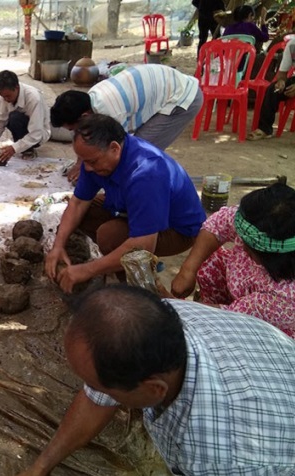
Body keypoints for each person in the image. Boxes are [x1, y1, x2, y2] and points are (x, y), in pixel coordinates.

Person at [13, 285, 295, 476]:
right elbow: (95, 399)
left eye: (99, 385)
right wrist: (41, 467)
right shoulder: (155, 319)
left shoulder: (221, 460)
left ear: (154, 389)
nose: (90, 391)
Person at [44, 114, 206, 294]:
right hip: (133, 208)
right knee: (84, 214)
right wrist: (57, 246)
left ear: (114, 148)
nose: (87, 168)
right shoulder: (97, 157)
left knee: (109, 236)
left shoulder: (146, 173)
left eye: (92, 162)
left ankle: (146, 290)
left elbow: (144, 244)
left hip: (177, 230)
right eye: (85, 161)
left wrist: (87, 270)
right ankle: (119, 266)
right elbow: (78, 203)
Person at [169, 183, 295, 336]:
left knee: (223, 329)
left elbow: (232, 315)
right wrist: (187, 270)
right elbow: (219, 223)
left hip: (265, 330)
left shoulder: (282, 300)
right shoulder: (263, 221)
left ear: (265, 254)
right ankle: (209, 305)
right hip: (243, 295)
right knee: (210, 259)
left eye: (244, 243)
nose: (239, 240)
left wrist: (170, 302)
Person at [50, 64, 202, 181]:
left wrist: (88, 174)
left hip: (182, 97)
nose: (73, 132)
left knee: (138, 152)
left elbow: (117, 151)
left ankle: (141, 188)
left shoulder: (111, 113)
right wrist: (80, 164)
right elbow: (85, 139)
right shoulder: (90, 100)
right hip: (166, 86)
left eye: (72, 128)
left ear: (84, 116)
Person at [247, 36, 295, 141]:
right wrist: (281, 81)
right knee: (272, 89)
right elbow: (282, 73)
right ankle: (265, 129)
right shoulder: (292, 45)